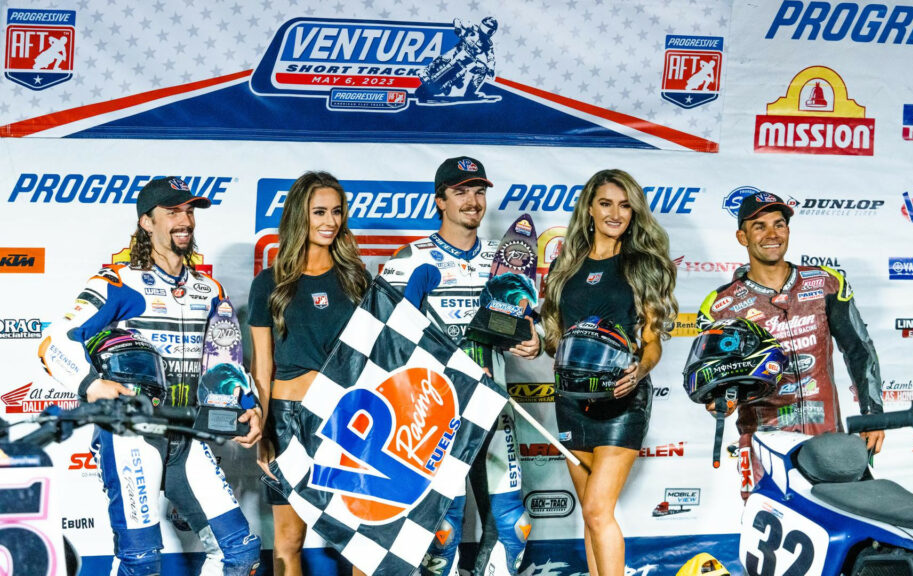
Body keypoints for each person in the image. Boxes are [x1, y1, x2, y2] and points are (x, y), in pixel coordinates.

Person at [38, 176, 262, 576]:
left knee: (240, 551)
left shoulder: (208, 289)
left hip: (189, 436)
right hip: (132, 436)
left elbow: (224, 362)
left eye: (190, 211)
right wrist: (92, 385)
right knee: (140, 562)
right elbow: (53, 343)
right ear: (146, 222)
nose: (185, 221)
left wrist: (249, 405)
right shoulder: (118, 283)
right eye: (172, 211)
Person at [379, 156, 540, 576]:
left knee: (514, 525)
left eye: (479, 191)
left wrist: (535, 340)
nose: (473, 201)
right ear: (440, 200)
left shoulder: (504, 258)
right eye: (461, 191)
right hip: (438, 414)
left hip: (496, 409)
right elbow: (386, 344)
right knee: (443, 528)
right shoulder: (412, 258)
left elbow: (530, 329)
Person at [696, 191, 884, 498]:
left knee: (846, 520)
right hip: (764, 444)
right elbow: (715, 380)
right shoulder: (720, 305)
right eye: (760, 226)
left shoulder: (826, 282)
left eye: (779, 224)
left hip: (828, 438)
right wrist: (720, 399)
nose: (772, 234)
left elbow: (859, 350)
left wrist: (873, 414)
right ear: (742, 236)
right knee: (769, 529)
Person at [539, 169, 678, 576]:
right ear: (590, 209)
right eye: (606, 203)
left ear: (634, 212)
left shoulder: (643, 266)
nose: (615, 213)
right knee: (590, 513)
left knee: (600, 509)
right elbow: (557, 339)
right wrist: (537, 341)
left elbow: (652, 342)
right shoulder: (566, 268)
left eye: (624, 205)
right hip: (570, 403)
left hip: (622, 399)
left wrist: (639, 371)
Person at [248, 172, 370, 576]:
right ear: (300, 215)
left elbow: (374, 358)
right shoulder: (268, 283)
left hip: (347, 420)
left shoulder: (356, 279)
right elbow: (261, 366)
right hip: (287, 420)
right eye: (320, 212)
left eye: (337, 212)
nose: (330, 221)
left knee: (360, 540)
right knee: (288, 542)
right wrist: (263, 428)